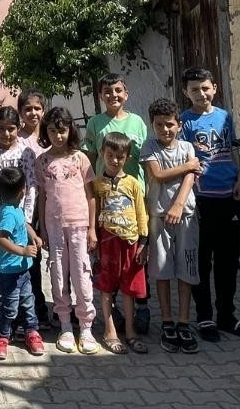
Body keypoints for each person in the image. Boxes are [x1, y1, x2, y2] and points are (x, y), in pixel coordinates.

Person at [180, 67, 240, 342]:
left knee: (228, 261)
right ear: (185, 92)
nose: (200, 94)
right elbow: (184, 161)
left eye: (205, 88)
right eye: (194, 89)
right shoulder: (185, 121)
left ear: (214, 87)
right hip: (202, 199)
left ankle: (226, 315)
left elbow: (231, 151)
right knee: (202, 262)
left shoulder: (225, 116)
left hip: (229, 196)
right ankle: (203, 316)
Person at [83, 73, 151, 333]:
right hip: (105, 197)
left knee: (136, 258)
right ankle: (114, 314)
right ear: (101, 96)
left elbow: (146, 158)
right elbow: (88, 159)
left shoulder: (137, 123)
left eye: (118, 90)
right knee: (108, 260)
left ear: (126, 93)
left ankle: (142, 308)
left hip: (134, 196)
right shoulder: (95, 123)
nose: (113, 95)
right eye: (108, 91)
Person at [140, 98, 203, 354]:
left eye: (169, 125)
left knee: (187, 268)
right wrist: (189, 165)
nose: (164, 130)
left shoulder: (188, 147)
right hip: (159, 217)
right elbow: (158, 174)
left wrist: (178, 205)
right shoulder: (149, 147)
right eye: (159, 125)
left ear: (179, 125)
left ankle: (184, 321)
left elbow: (189, 180)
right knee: (162, 270)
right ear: (152, 125)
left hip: (185, 215)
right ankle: (166, 320)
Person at [35, 106, 99, 355]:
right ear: (46, 132)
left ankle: (86, 326)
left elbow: (91, 196)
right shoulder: (43, 161)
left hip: (79, 226)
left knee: (82, 274)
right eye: (52, 131)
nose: (58, 136)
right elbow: (42, 197)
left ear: (69, 130)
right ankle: (65, 325)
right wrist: (42, 228)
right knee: (58, 274)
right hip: (54, 226)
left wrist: (92, 228)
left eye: (62, 131)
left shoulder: (80, 158)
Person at [93, 132, 149, 354]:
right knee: (106, 287)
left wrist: (144, 242)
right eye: (110, 155)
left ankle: (130, 331)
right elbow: (94, 212)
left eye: (120, 156)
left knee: (128, 289)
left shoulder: (133, 183)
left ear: (127, 157)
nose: (115, 160)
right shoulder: (97, 184)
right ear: (102, 154)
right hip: (107, 242)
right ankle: (110, 331)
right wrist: (94, 239)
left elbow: (141, 213)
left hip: (130, 242)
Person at [0, 166, 45, 360]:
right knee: (9, 306)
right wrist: (22, 250)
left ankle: (32, 331)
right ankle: (1, 337)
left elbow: (25, 224)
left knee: (28, 302)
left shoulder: (16, 208)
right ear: (23, 190)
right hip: (8, 272)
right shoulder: (7, 213)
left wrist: (34, 236)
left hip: (23, 270)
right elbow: (1, 239)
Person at [16, 90, 51, 323]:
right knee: (30, 258)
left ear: (44, 110)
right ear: (20, 112)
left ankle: (59, 308)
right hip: (25, 207)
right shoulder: (17, 139)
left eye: (37, 108)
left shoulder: (50, 139)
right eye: (27, 109)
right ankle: (34, 308)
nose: (33, 113)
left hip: (50, 204)